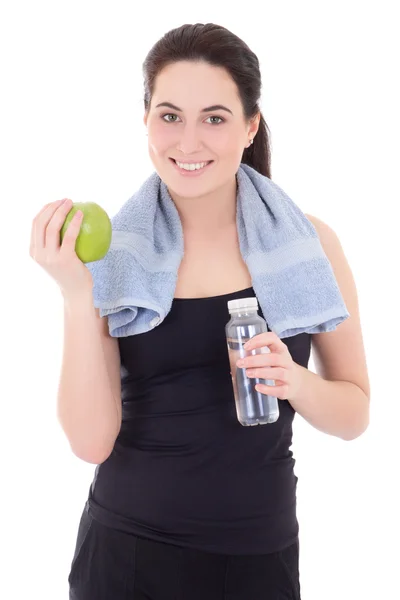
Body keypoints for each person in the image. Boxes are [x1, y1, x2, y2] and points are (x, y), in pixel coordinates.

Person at [29, 22, 370, 600]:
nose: (188, 143)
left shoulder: (309, 245)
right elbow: (90, 443)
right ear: (146, 123)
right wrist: (76, 295)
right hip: (127, 557)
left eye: (214, 118)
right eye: (169, 116)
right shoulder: (112, 253)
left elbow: (354, 414)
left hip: (260, 558)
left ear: (250, 125)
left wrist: (294, 382)